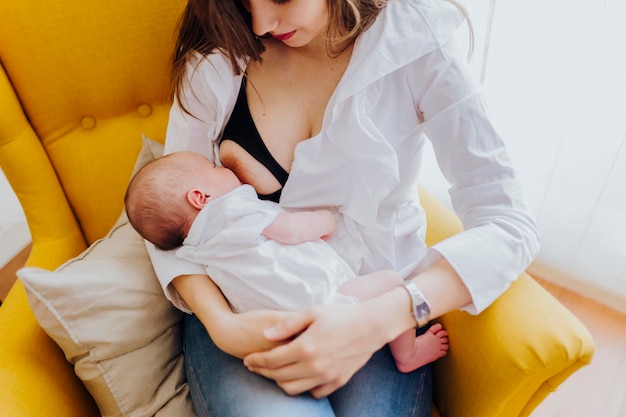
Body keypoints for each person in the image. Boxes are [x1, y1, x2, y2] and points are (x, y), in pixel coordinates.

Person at [146, 0, 541, 416]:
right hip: (244, 306)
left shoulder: (417, 41)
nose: (260, 23)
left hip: (373, 306)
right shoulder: (221, 53)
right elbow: (174, 221)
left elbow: (509, 223)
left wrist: (379, 319)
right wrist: (225, 328)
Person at [126, 150, 449, 374]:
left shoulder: (192, 249)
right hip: (327, 299)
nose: (223, 169)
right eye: (215, 169)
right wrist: (326, 220)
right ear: (200, 197)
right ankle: (407, 354)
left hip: (278, 328)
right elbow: (292, 230)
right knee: (392, 282)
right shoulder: (232, 209)